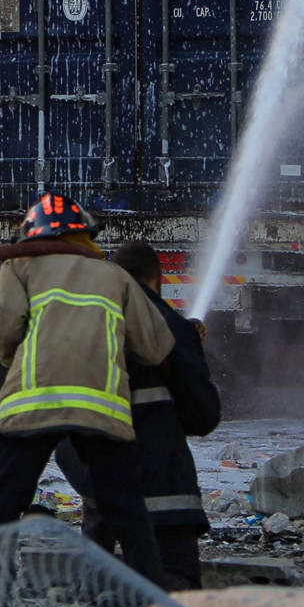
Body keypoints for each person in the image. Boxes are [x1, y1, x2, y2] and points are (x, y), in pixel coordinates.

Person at [0, 193, 173, 587]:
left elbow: (0, 330)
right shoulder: (115, 276)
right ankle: (151, 599)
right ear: (86, 234)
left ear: (32, 234)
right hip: (100, 407)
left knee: (3, 504)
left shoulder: (20, 266)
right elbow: (155, 347)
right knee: (125, 506)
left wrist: (14, 359)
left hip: (34, 400)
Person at [57, 241, 221, 588]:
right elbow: (203, 416)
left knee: (100, 591)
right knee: (174, 589)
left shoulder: (82, 329)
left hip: (102, 491)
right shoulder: (172, 328)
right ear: (157, 280)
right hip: (165, 498)